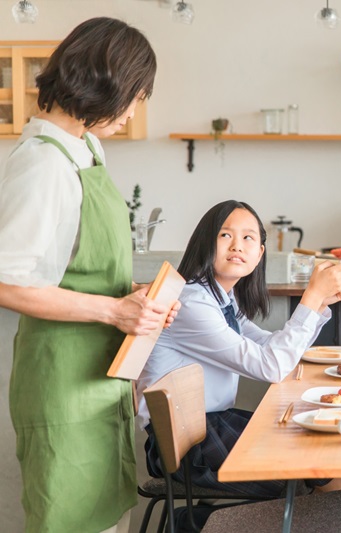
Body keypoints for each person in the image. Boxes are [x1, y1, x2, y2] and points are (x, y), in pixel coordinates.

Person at [0, 18, 175, 533]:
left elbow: (81, 268)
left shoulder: (86, 150)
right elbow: (7, 280)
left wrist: (140, 299)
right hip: (62, 380)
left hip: (100, 377)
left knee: (106, 518)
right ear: (104, 81)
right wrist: (114, 310)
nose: (134, 112)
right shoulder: (43, 164)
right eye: (134, 96)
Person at [136, 200, 341, 499]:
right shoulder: (191, 302)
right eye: (225, 235)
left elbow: (269, 346)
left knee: (337, 452)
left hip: (208, 425)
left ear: (260, 254)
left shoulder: (222, 298)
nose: (237, 246)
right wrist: (312, 294)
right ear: (205, 243)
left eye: (248, 238)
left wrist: (318, 304)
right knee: (331, 456)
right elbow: (272, 366)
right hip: (187, 443)